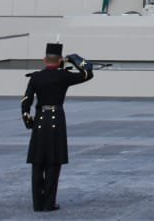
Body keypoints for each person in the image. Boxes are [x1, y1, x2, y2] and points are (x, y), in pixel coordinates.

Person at [22, 42, 95, 212]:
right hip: (56, 121)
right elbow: (88, 73)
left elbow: (26, 101)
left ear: (44, 59)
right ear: (60, 60)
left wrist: (28, 120)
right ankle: (49, 203)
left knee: (38, 162)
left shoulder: (36, 77)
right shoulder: (64, 76)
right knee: (53, 162)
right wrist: (75, 58)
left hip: (40, 120)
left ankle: (38, 204)